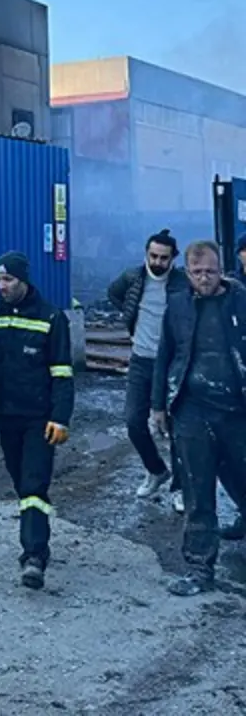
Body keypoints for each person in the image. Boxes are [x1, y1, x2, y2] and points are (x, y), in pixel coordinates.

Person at [151, 240, 246, 596]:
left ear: (221, 269)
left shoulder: (241, 301)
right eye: (197, 272)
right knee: (196, 490)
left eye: (210, 271)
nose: (204, 278)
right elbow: (164, 356)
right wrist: (158, 406)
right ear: (187, 273)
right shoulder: (177, 306)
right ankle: (198, 567)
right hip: (191, 410)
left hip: (237, 411)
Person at [0, 251, 74, 590]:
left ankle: (34, 557)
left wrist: (61, 418)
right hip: (6, 414)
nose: (2, 286)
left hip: (40, 418)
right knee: (20, 481)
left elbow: (62, 373)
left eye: (8, 280)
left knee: (33, 485)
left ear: (24, 280)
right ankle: (35, 538)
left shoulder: (51, 318)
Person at [107, 229, 187, 507]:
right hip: (141, 360)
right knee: (133, 422)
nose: (158, 262)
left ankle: (180, 487)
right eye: (153, 255)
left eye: (164, 258)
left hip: (174, 364)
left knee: (178, 427)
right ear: (146, 254)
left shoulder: (182, 282)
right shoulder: (133, 277)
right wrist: (130, 319)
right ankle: (156, 471)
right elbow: (113, 293)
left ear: (173, 259)